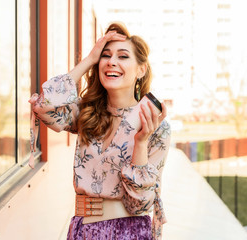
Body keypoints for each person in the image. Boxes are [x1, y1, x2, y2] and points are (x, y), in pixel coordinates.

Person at [29, 23, 171, 240]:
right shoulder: (86, 113)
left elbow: (140, 203)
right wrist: (89, 59)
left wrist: (141, 143)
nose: (112, 61)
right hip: (83, 231)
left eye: (123, 56)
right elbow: (43, 106)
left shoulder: (155, 126)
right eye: (106, 55)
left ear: (141, 70)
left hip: (130, 233)